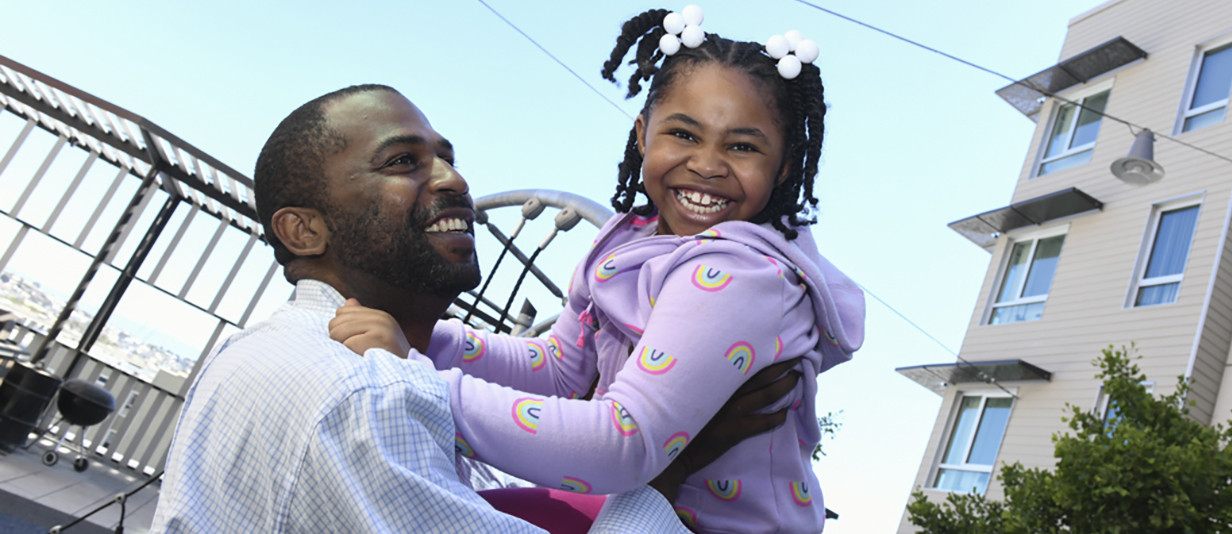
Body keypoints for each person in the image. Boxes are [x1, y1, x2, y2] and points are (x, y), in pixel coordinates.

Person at [149, 84, 798, 533]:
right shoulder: (369, 391)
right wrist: (667, 472)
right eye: (403, 161)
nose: (452, 179)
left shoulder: (265, 349)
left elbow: (557, 368)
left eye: (447, 159)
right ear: (302, 231)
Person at [331, 6, 865, 533]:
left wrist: (418, 380)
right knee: (442, 510)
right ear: (642, 134)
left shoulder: (743, 276)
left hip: (718, 525)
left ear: (785, 167)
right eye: (683, 134)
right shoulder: (628, 238)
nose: (707, 163)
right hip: (637, 504)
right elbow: (561, 369)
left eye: (743, 146)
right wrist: (429, 341)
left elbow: (623, 441)